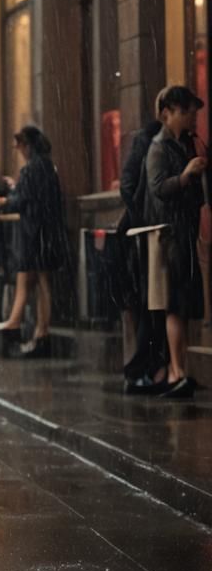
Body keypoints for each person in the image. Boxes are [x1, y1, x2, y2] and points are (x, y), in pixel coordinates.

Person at [144, 85, 206, 399]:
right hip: (171, 236)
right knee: (175, 304)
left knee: (184, 305)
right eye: (185, 111)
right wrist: (186, 175)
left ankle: (179, 369)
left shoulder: (186, 143)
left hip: (185, 232)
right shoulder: (159, 147)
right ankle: (176, 370)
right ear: (168, 112)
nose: (191, 117)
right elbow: (159, 188)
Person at [0, 125, 67, 356]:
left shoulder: (31, 169)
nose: (18, 152)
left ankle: (40, 333)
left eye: (19, 147)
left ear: (26, 146)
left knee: (41, 281)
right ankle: (38, 332)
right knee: (42, 281)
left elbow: (22, 199)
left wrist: (4, 201)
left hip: (34, 231)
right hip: (47, 231)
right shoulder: (47, 166)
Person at [118, 95, 167, 393]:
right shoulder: (150, 140)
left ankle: (152, 369)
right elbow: (128, 184)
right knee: (150, 305)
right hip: (144, 234)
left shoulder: (177, 140)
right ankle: (142, 371)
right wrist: (141, 219)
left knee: (155, 305)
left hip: (154, 232)